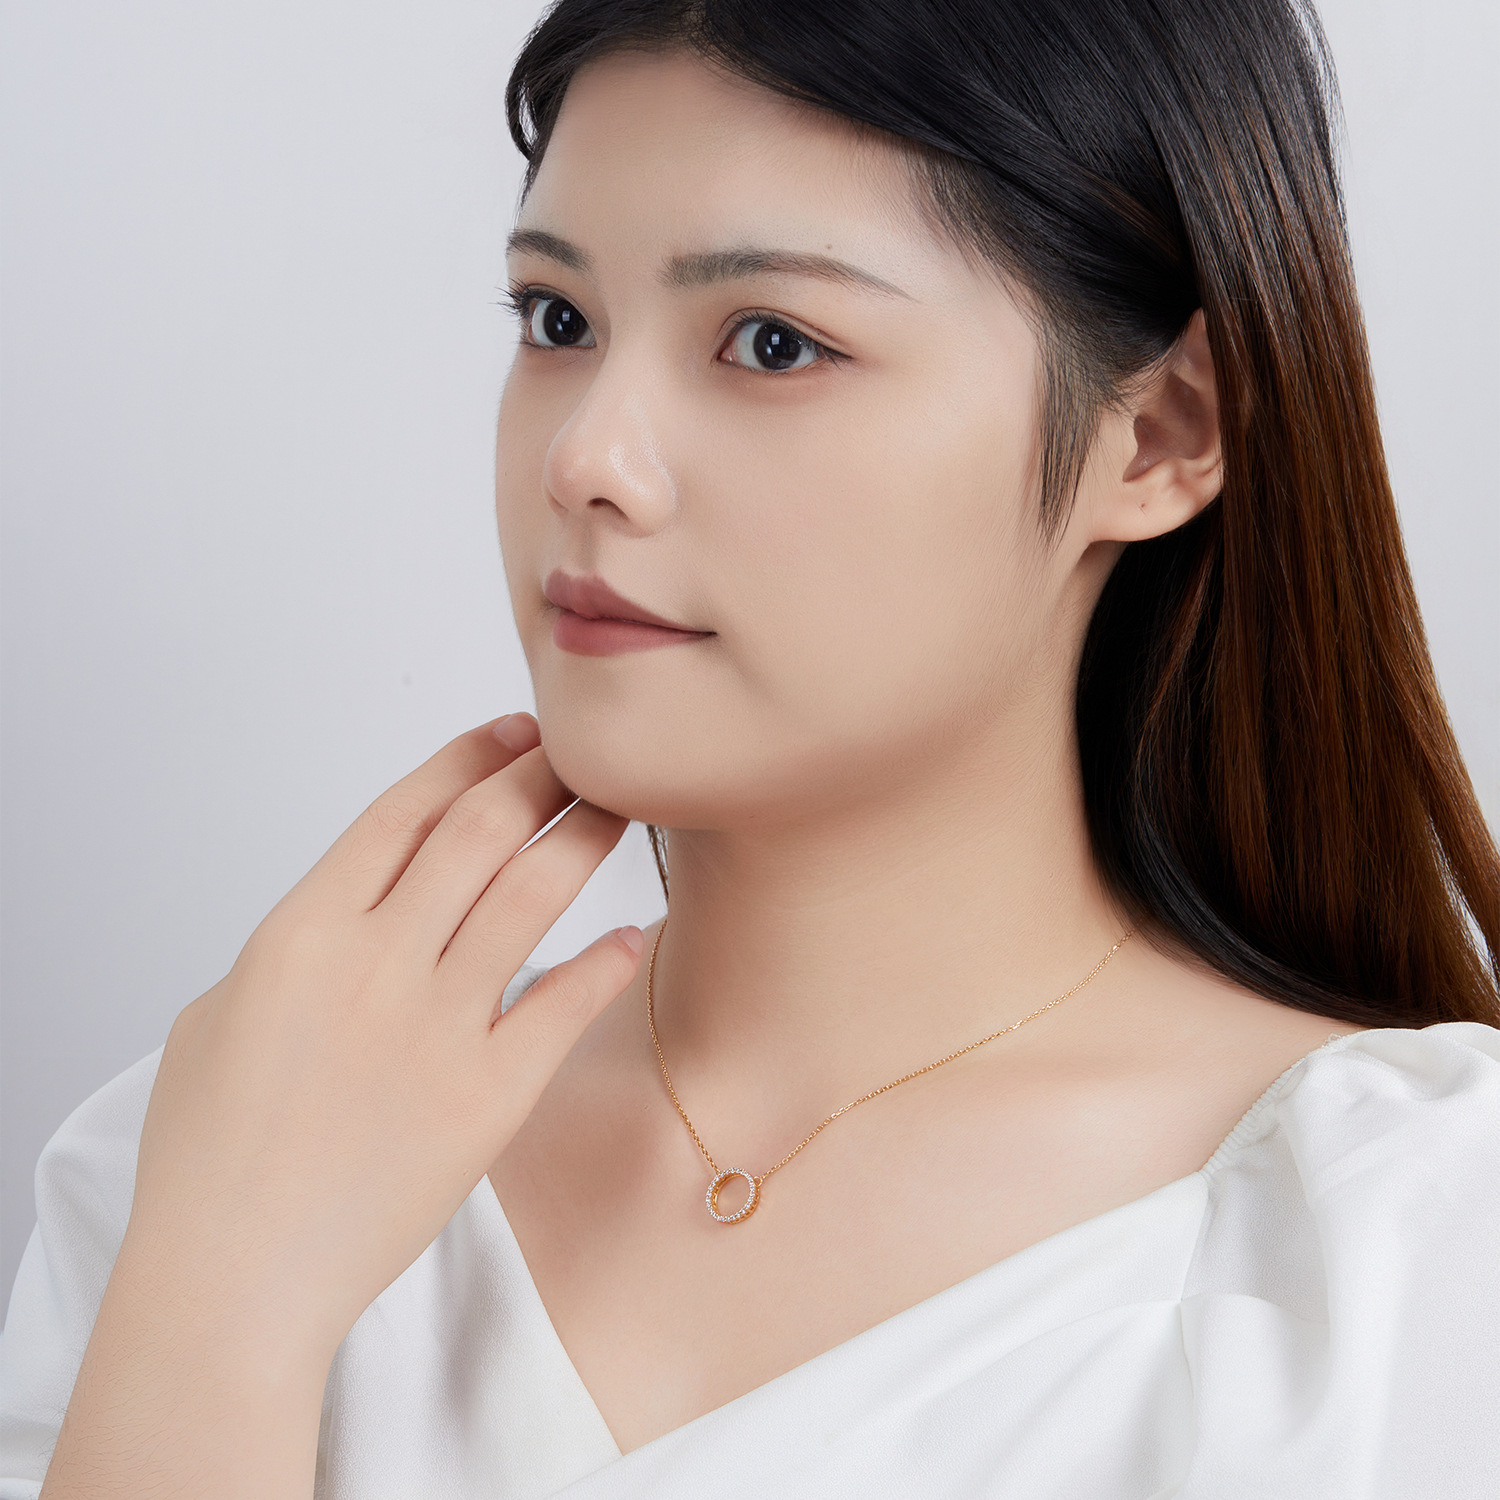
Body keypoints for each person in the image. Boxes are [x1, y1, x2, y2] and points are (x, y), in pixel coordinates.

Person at [4, 0, 1498, 1494]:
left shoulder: (1409, 1253)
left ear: (1162, 434)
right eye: (557, 320)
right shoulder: (222, 1154)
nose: (586, 457)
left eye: (773, 343)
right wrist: (222, 1305)